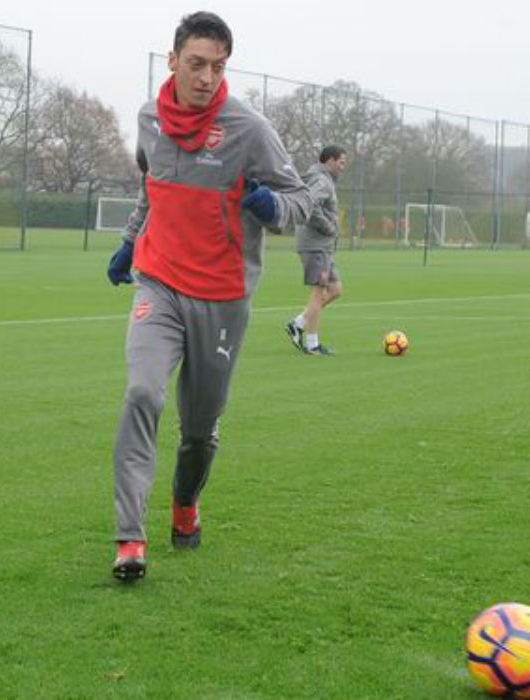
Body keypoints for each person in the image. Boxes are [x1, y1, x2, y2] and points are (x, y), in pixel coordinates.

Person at [105, 11, 312, 581]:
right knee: (142, 392)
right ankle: (129, 538)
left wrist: (271, 207)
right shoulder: (150, 119)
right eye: (196, 64)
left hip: (222, 298)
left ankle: (185, 503)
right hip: (160, 283)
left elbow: (300, 199)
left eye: (218, 67)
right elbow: (152, 188)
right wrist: (129, 243)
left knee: (199, 430)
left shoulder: (248, 128)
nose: (206, 76)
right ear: (172, 61)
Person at [285, 145, 348, 356]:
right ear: (330, 160)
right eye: (341, 162)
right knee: (318, 292)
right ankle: (312, 344)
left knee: (336, 289)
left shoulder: (326, 180)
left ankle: (298, 323)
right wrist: (328, 227)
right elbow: (310, 205)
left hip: (324, 247)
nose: (343, 167)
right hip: (315, 245)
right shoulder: (321, 180)